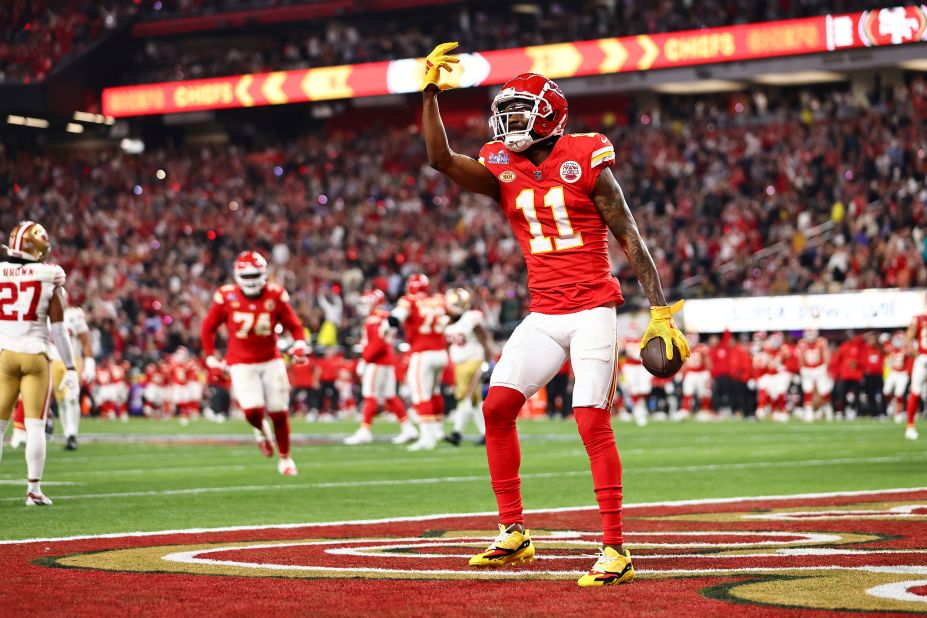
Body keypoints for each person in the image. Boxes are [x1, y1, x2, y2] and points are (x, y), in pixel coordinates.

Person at [420, 43, 690, 586]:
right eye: (504, 114)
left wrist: (660, 310)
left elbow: (629, 235)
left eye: (517, 113)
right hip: (543, 310)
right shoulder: (502, 165)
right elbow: (440, 160)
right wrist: (429, 93)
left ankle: (616, 549)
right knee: (497, 408)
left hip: (592, 307)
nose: (507, 123)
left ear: (548, 114)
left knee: (590, 418)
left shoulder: (585, 154)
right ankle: (513, 533)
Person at [200, 250, 307, 476]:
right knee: (252, 413)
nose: (251, 281)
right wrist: (210, 356)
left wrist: (299, 344)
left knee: (279, 411)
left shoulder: (276, 294)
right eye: (246, 276)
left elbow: (295, 326)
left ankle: (286, 459)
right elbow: (208, 327)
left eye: (254, 276)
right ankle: (260, 431)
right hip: (241, 362)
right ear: (237, 276)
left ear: (263, 274)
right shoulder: (226, 296)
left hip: (271, 360)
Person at [0, 221, 80, 505]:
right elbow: (59, 330)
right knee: (35, 425)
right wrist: (70, 367)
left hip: (5, 355)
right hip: (35, 356)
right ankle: (33, 490)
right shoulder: (50, 275)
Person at [345, 289, 418, 445]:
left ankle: (365, 430)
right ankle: (408, 428)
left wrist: (365, 359)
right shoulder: (385, 316)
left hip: (377, 362)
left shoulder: (374, 319)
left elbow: (377, 343)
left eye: (366, 302)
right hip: (387, 361)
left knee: (370, 395)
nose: (363, 306)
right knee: (390, 396)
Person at [391, 273, 451, 451]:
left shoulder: (409, 300)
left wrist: (391, 322)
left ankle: (427, 436)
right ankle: (438, 430)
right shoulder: (439, 300)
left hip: (422, 352)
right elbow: (454, 314)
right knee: (434, 392)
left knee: (420, 395)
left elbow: (396, 317)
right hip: (441, 352)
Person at [442, 287, 493, 446]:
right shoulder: (449, 322)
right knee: (474, 401)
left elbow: (484, 340)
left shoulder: (471, 317)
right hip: (460, 364)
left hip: (474, 362)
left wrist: (487, 363)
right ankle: (486, 433)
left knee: (466, 397)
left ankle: (457, 432)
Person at [45, 300, 95, 450]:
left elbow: (85, 341)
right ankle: (67, 433)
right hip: (52, 360)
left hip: (72, 360)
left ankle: (72, 434)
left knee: (71, 398)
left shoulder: (74, 315)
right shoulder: (45, 315)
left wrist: (90, 362)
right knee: (60, 401)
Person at [905, 306, 927, 439]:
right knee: (915, 391)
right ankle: (910, 426)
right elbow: (908, 339)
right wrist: (918, 356)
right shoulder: (918, 319)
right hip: (923, 360)